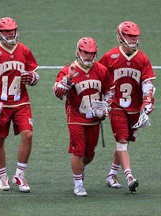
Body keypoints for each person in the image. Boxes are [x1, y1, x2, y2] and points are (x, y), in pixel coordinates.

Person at [0, 17, 40, 192]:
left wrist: (32, 78)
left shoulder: (24, 50)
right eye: (6, 31)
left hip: (21, 101)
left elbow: (34, 74)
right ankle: (2, 175)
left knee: (28, 135)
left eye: (12, 30)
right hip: (0, 104)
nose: (10, 33)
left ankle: (19, 175)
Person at [98, 21, 156, 193]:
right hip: (116, 106)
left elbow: (147, 84)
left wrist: (147, 104)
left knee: (126, 141)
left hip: (135, 108)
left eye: (135, 36)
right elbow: (98, 76)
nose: (133, 39)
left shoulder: (142, 59)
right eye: (130, 36)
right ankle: (129, 176)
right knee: (121, 141)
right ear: (121, 36)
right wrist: (99, 101)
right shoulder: (110, 57)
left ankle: (111, 174)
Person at [53, 37, 114, 197]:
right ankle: (78, 184)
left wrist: (105, 107)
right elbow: (57, 91)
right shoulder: (69, 69)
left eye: (92, 53)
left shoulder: (101, 70)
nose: (89, 56)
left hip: (93, 119)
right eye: (86, 53)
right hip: (76, 117)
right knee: (78, 152)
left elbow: (110, 92)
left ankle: (80, 168)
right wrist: (69, 78)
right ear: (78, 51)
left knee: (89, 154)